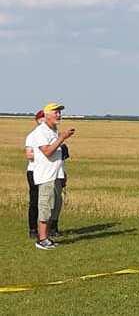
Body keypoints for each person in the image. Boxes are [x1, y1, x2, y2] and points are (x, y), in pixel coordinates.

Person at [29, 102, 76, 250]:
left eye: (59, 112)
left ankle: (47, 236)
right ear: (47, 115)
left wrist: (63, 173)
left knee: (55, 206)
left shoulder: (53, 131)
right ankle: (41, 239)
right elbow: (47, 151)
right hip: (46, 176)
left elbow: (57, 156)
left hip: (56, 175)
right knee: (45, 207)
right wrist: (62, 138)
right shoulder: (40, 132)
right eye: (55, 112)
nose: (59, 115)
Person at [24, 110, 45, 238]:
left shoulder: (52, 135)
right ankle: (33, 229)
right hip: (34, 171)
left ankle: (50, 228)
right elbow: (29, 155)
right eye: (41, 118)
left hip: (48, 171)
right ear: (37, 120)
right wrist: (45, 153)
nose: (43, 120)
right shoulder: (32, 136)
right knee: (34, 201)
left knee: (47, 201)